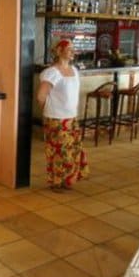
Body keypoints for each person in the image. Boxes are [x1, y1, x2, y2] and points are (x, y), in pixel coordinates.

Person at [36, 39, 89, 192]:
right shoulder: (52, 72)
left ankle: (67, 180)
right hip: (56, 119)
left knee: (72, 151)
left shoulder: (74, 70)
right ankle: (56, 182)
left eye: (73, 48)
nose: (73, 51)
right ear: (59, 51)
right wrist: (50, 111)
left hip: (71, 118)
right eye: (69, 48)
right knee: (59, 153)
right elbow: (41, 96)